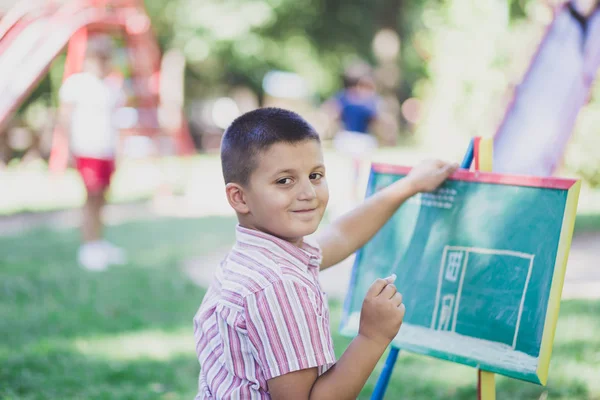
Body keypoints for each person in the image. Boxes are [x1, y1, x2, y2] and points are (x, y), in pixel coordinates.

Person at [193, 107, 458, 399]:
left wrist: (409, 186)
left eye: (315, 175)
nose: (308, 192)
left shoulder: (256, 258)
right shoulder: (280, 286)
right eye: (285, 181)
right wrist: (373, 336)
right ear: (240, 197)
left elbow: (341, 235)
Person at [58, 35, 126, 271]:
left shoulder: (112, 88)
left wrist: (119, 151)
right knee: (91, 196)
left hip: (106, 150)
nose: (103, 63)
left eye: (107, 58)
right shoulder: (76, 85)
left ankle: (99, 242)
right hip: (86, 148)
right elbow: (65, 119)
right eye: (99, 57)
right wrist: (65, 148)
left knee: (102, 198)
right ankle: (87, 246)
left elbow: (116, 122)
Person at [322, 62, 395, 200]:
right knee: (355, 172)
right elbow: (378, 121)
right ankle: (353, 196)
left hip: (350, 140)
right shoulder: (367, 100)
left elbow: (330, 113)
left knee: (351, 171)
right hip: (358, 140)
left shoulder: (344, 97)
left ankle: (351, 195)